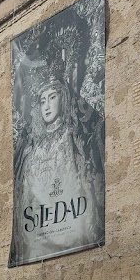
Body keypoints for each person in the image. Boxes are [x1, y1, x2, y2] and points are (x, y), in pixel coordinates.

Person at [10, 65, 103, 265]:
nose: (47, 106)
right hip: (37, 236)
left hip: (72, 230)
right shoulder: (30, 150)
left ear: (64, 98)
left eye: (52, 97)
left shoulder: (73, 139)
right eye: (42, 101)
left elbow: (84, 182)